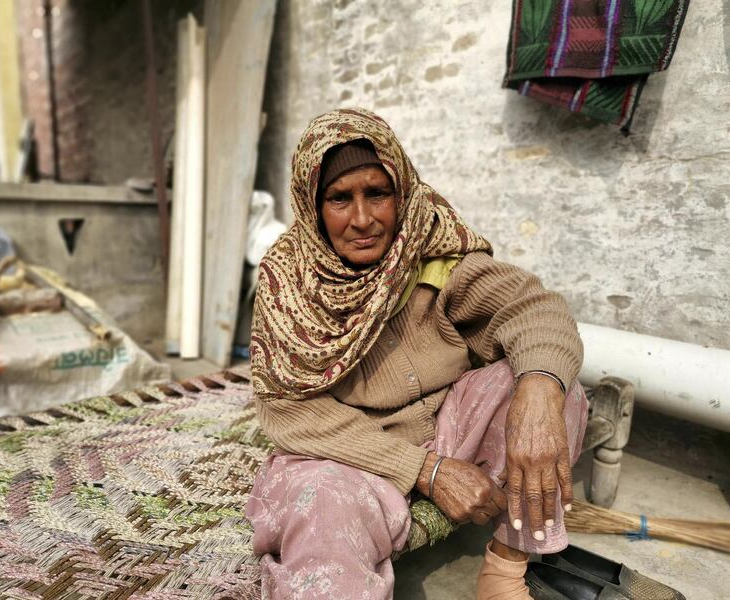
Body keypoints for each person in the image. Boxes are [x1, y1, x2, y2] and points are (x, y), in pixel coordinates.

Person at [245, 108, 588, 599]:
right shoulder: (288, 285)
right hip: (355, 456)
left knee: (556, 389)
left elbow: (532, 307)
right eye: (340, 199)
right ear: (313, 207)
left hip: (450, 425)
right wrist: (424, 472)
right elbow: (288, 410)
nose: (362, 219)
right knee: (319, 507)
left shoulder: (431, 249)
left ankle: (506, 571)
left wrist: (537, 392)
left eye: (377, 193)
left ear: (401, 191)